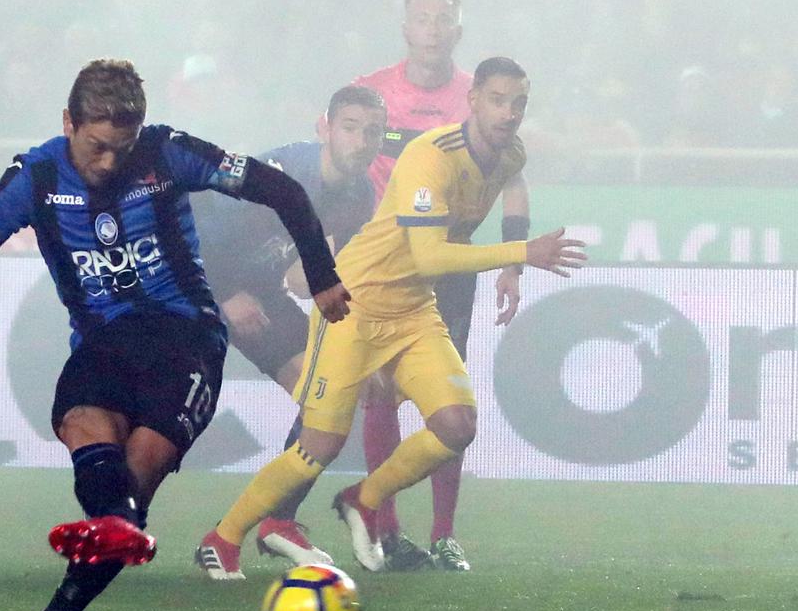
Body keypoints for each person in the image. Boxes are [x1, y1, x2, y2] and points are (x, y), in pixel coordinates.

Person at [0, 59, 349, 611]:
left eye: (119, 149)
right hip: (102, 343)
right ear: (67, 123)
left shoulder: (168, 152)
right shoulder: (36, 175)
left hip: (186, 337)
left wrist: (322, 273)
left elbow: (280, 189)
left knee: (139, 466)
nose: (106, 163)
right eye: (95, 147)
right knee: (83, 429)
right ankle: (104, 547)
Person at [197, 57, 585, 578]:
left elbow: (503, 191)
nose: (509, 112)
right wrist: (520, 250)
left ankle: (363, 499)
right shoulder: (431, 157)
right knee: (320, 444)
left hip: (413, 311)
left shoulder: (509, 152)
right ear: (471, 100)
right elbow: (429, 257)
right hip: (356, 309)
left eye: (519, 103)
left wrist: (513, 266)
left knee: (456, 424)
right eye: (497, 99)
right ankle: (223, 538)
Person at [349, 0, 534, 571]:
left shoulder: (482, 98)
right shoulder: (371, 91)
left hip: (448, 265)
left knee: (446, 400)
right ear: (406, 27)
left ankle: (444, 532)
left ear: (458, 30)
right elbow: (341, 158)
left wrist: (512, 264)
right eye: (422, 16)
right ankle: (385, 529)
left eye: (442, 17)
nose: (431, 27)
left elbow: (513, 179)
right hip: (386, 266)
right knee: (379, 393)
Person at [192, 85, 384, 573]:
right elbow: (193, 222)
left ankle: (275, 523)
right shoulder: (283, 175)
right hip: (191, 286)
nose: (361, 140)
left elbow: (325, 268)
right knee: (153, 417)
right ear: (324, 127)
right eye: (350, 127)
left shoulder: (359, 194)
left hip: (259, 293)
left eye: (373, 131)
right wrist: (222, 294)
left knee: (325, 398)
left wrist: (366, 346)